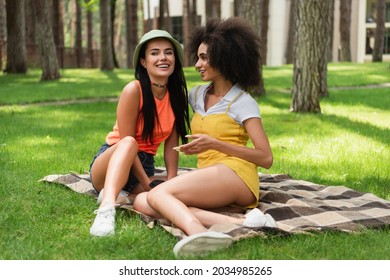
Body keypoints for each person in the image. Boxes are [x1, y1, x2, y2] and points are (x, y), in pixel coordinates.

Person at [133, 17, 276, 257]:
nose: (197, 64)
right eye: (197, 57)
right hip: (209, 176)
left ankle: (197, 233)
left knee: (159, 195)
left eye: (204, 58)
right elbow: (167, 114)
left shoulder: (243, 103)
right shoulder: (197, 95)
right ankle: (246, 223)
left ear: (224, 57)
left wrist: (216, 144)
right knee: (143, 201)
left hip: (237, 175)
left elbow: (266, 157)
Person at [89, 30, 190, 237]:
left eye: (168, 52)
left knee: (185, 186)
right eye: (155, 53)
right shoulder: (133, 90)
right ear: (143, 62)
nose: (163, 57)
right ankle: (106, 209)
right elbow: (127, 141)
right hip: (112, 160)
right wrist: (145, 182)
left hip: (144, 165)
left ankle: (122, 195)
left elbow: (172, 144)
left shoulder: (177, 96)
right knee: (128, 143)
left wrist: (171, 180)